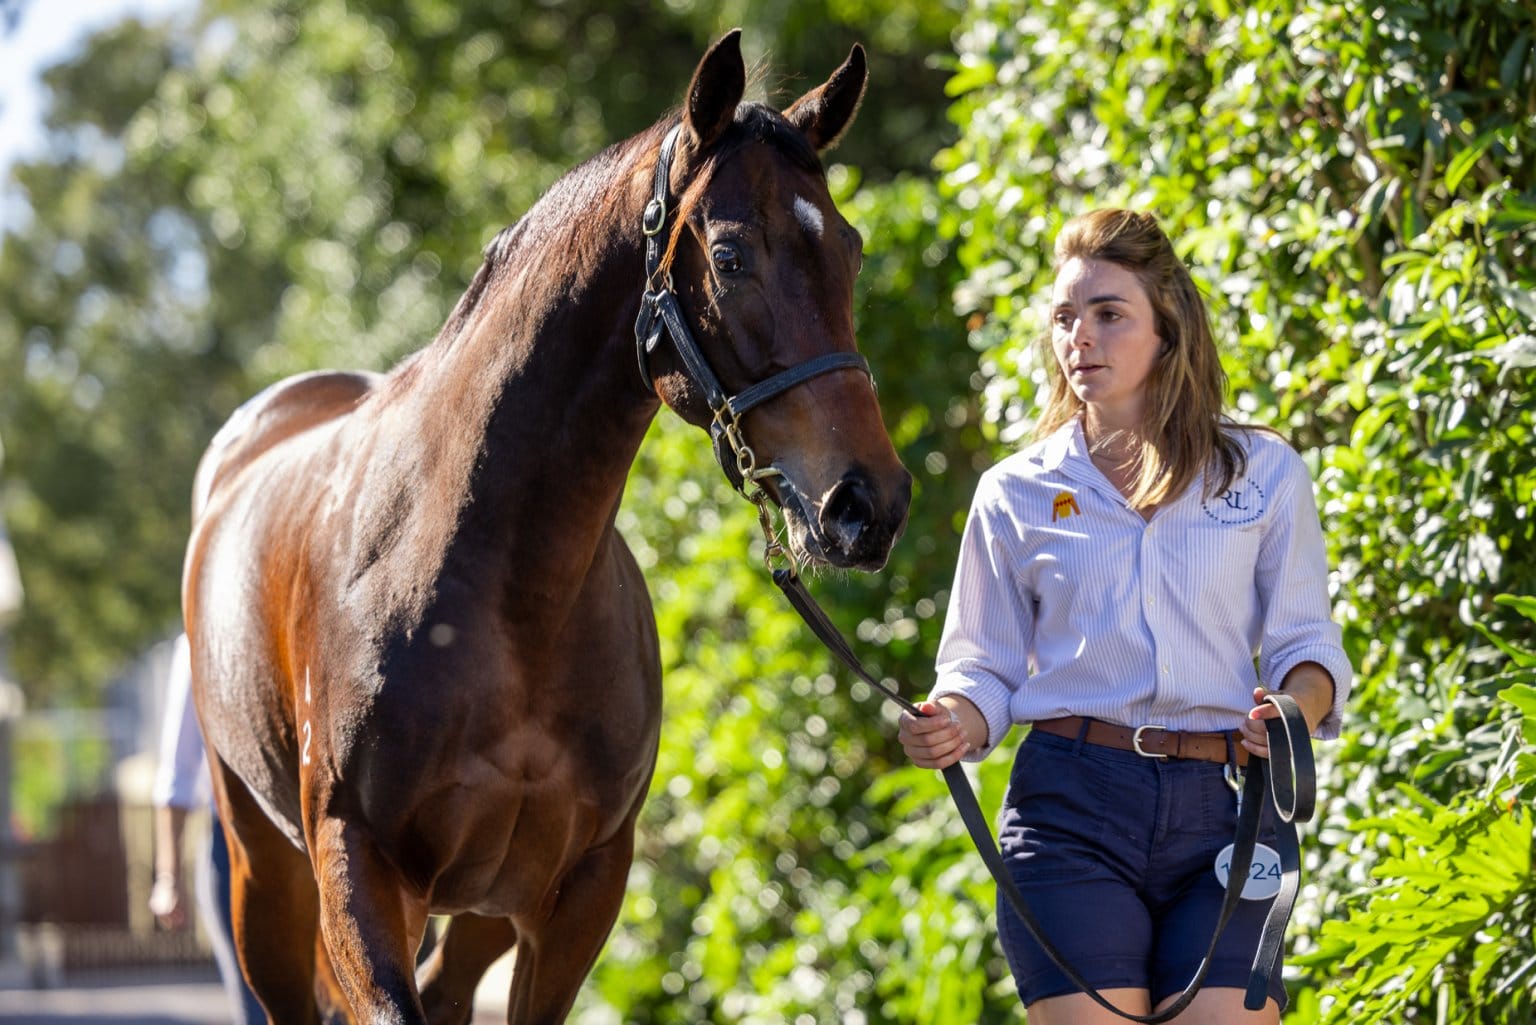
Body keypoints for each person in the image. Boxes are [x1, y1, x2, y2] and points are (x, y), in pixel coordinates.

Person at [898, 208, 1351, 1024]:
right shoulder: (1015, 491)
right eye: (1066, 318)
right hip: (1069, 808)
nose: (1082, 338)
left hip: (1227, 809)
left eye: (1109, 314)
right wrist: (951, 720)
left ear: (1166, 327)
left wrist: (1292, 709)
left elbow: (1307, 647)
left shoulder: (1266, 473)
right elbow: (983, 668)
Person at [149, 632, 266, 1025]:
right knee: (256, 1006)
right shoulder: (202, 639)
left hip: (310, 847)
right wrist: (168, 878)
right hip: (235, 846)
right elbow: (177, 774)